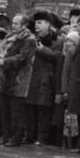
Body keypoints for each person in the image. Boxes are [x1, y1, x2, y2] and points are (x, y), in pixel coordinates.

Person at [0, 14, 36, 147]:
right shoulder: (9, 37)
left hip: (19, 79)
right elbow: (2, 50)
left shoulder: (29, 40)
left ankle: (16, 137)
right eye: (13, 23)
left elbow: (22, 58)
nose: (14, 26)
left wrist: (4, 61)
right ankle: (5, 136)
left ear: (24, 25)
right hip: (5, 77)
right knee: (5, 111)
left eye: (17, 23)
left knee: (16, 111)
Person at [24, 11, 63, 146]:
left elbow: (59, 58)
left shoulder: (57, 41)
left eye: (40, 23)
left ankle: (42, 137)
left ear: (48, 24)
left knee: (43, 111)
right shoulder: (31, 39)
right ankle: (29, 135)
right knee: (29, 109)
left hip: (46, 80)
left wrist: (43, 50)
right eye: (36, 23)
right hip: (31, 78)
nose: (37, 26)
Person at [60, 31, 80, 152]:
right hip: (75, 88)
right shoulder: (70, 53)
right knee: (78, 117)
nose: (68, 43)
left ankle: (78, 144)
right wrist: (65, 90)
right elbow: (66, 71)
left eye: (71, 41)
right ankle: (78, 145)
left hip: (77, 87)